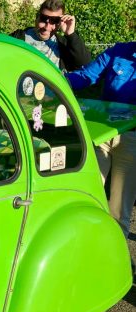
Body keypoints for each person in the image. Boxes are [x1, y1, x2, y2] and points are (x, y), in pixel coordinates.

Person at [66, 42, 136, 239]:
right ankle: (86, 243)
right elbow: (86, 75)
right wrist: (53, 81)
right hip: (101, 135)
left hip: (131, 139)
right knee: (88, 193)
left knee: (120, 207)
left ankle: (117, 251)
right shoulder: (119, 51)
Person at [10, 0, 91, 71]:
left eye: (54, 21)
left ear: (60, 22)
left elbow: (85, 64)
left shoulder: (62, 45)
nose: (47, 27)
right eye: (43, 19)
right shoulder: (17, 38)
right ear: (37, 17)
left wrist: (71, 35)